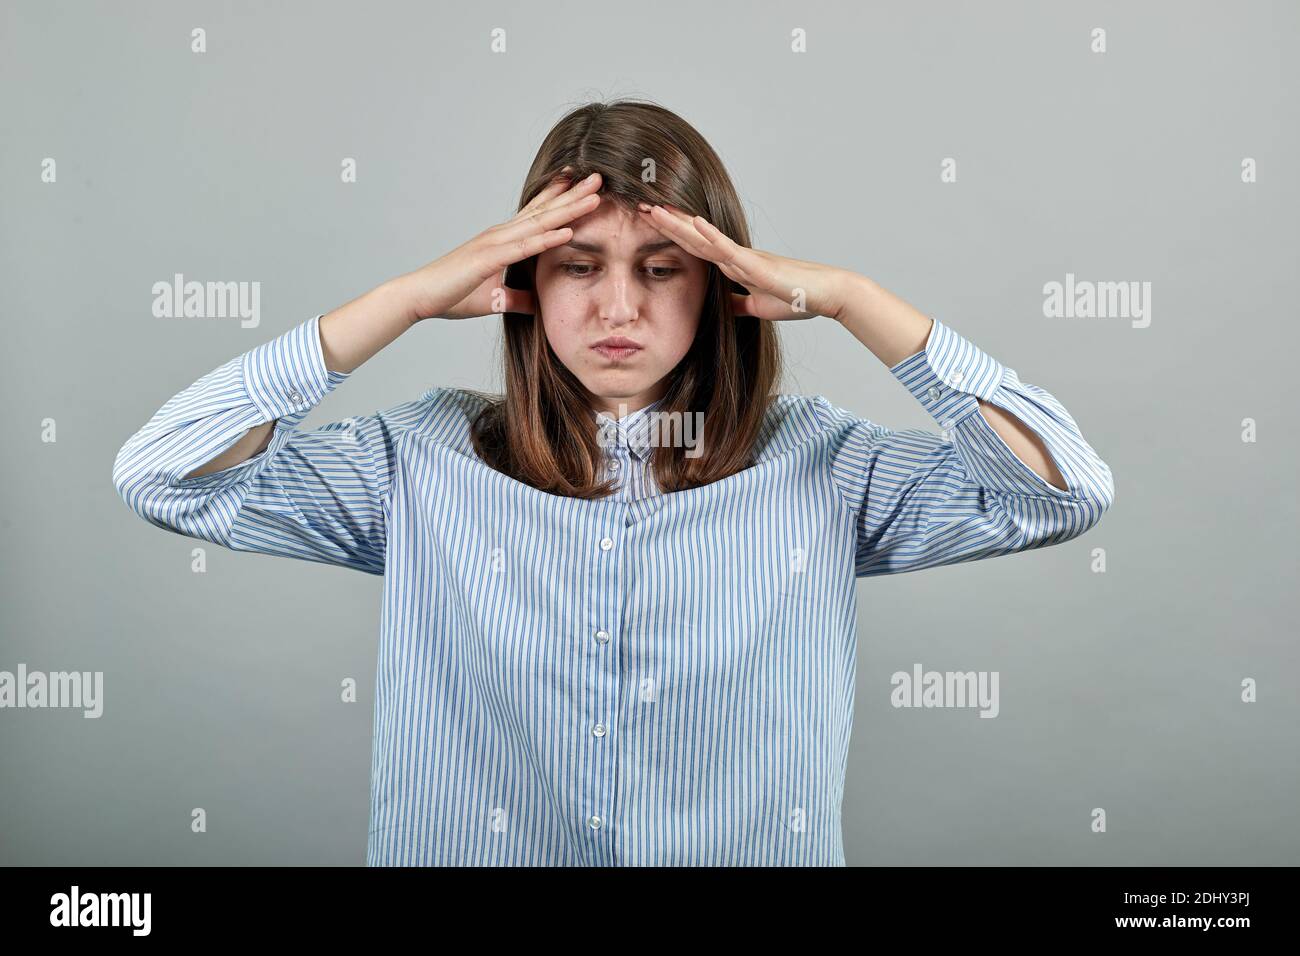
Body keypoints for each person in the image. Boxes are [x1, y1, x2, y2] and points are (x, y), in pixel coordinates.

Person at [112, 99, 1114, 866]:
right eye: (579, 265)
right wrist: (403, 300)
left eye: (662, 266)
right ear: (524, 281)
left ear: (722, 284)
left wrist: (856, 301)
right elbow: (164, 471)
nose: (616, 306)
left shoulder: (821, 465)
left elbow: (1059, 491)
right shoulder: (418, 462)